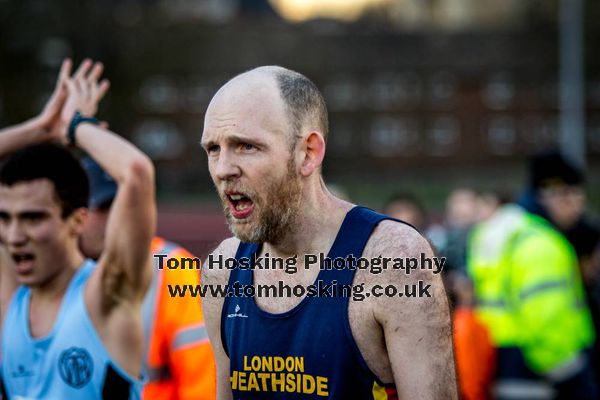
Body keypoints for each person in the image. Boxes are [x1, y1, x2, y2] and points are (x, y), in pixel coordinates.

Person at [200, 66, 457, 399]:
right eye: (212, 149)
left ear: (308, 152)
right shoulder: (222, 268)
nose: (223, 170)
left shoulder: (394, 261)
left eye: (246, 146)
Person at [0, 58, 156, 399]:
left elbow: (136, 172)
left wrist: (75, 126)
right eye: (5, 218)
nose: (13, 236)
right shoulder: (9, 294)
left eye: (33, 218)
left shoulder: (106, 295)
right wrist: (39, 130)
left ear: (78, 220)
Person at [79, 157, 217, 400]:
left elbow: (202, 377)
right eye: (102, 208)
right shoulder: (51, 271)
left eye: (122, 204)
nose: (116, 217)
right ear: (74, 215)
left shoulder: (175, 268)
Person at [468, 201, 597, 398]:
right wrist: (574, 378)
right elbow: (544, 321)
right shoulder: (539, 245)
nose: (577, 205)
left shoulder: (503, 239)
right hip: (544, 369)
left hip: (505, 362)